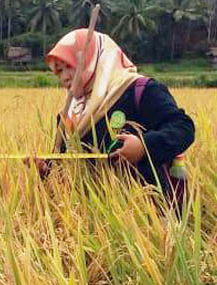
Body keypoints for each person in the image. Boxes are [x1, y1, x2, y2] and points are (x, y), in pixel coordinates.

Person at [36, 28, 195, 209]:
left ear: (91, 60)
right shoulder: (70, 113)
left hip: (146, 215)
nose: (64, 77)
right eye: (59, 71)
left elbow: (183, 128)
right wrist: (46, 169)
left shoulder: (140, 90)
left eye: (69, 67)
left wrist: (144, 146)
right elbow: (66, 161)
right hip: (90, 219)